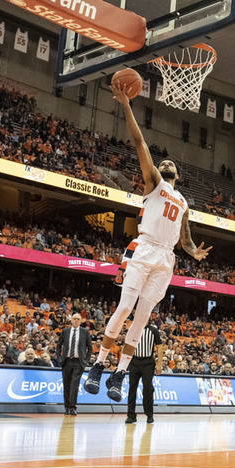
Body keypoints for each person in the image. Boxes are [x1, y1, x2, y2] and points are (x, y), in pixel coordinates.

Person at [84, 84, 211, 401]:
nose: (166, 162)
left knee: (142, 318)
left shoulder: (183, 202)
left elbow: (185, 238)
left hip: (166, 259)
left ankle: (119, 373)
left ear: (177, 177)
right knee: (125, 306)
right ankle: (99, 365)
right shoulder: (154, 182)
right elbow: (140, 142)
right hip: (145, 249)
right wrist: (126, 106)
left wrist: (193, 250)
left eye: (171, 164)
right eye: (163, 162)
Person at [125, 323, 163, 424]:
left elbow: (159, 347)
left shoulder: (153, 330)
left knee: (148, 388)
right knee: (132, 388)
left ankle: (149, 414)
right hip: (134, 362)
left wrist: (159, 364)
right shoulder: (133, 329)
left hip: (148, 363)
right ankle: (131, 415)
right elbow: (126, 346)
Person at [56, 313, 91, 416]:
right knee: (66, 385)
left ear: (80, 321)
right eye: (74, 319)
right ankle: (67, 407)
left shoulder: (85, 332)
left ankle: (73, 407)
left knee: (74, 385)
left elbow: (90, 347)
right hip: (66, 361)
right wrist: (59, 358)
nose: (76, 320)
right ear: (71, 320)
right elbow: (58, 346)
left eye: (78, 319)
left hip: (78, 362)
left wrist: (86, 360)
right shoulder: (65, 331)